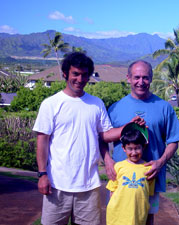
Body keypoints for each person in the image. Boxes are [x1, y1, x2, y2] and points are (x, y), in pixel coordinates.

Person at [33, 52, 143, 225]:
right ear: (65, 74)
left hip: (89, 186)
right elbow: (42, 140)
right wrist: (42, 174)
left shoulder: (96, 103)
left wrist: (128, 126)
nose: (80, 78)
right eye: (75, 73)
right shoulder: (51, 104)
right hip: (57, 184)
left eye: (84, 74)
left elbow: (105, 135)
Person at [107, 60, 179, 224]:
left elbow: (173, 141)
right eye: (136, 77)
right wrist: (107, 161)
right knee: (118, 217)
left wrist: (160, 162)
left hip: (150, 179)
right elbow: (103, 137)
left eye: (145, 77)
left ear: (151, 78)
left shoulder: (164, 107)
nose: (140, 82)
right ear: (128, 78)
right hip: (121, 179)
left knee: (147, 219)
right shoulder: (115, 108)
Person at [106, 122, 155, 225]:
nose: (134, 152)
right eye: (130, 149)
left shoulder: (149, 169)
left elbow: (148, 194)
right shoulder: (118, 167)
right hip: (117, 216)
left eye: (137, 148)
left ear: (143, 147)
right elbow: (112, 192)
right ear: (124, 148)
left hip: (138, 216)